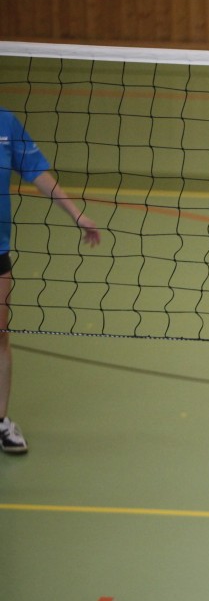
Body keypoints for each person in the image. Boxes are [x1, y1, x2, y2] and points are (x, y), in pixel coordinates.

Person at [1, 106, 101, 454]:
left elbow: (36, 171)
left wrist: (76, 214)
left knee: (0, 335)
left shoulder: (5, 122)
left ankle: (1, 421)